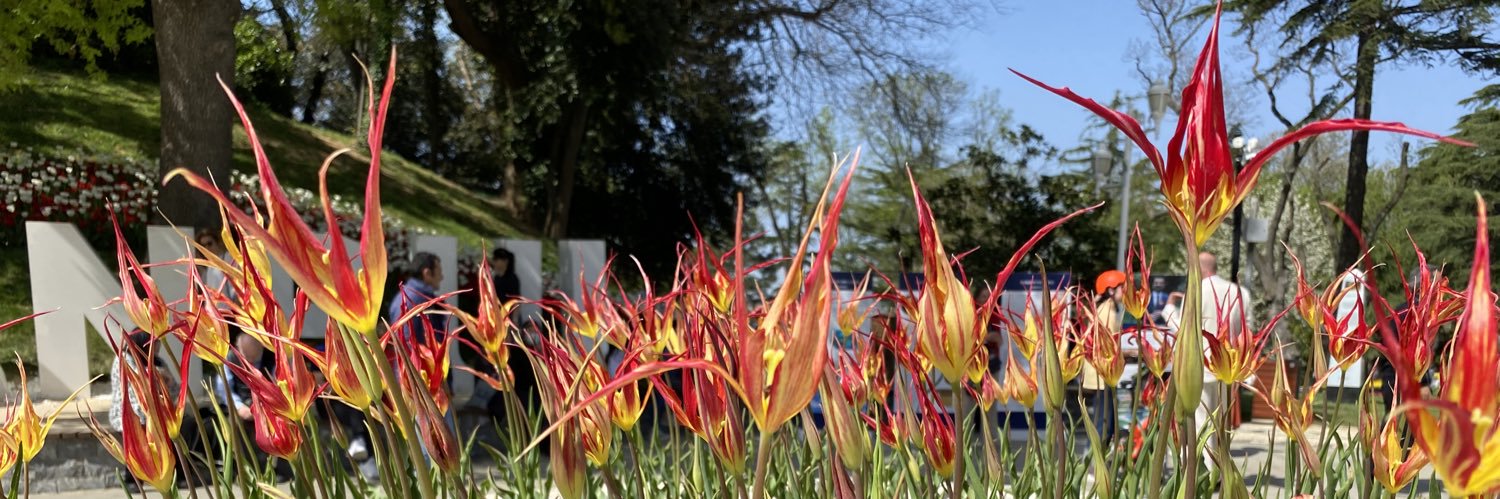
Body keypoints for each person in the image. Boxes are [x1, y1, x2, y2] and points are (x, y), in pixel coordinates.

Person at [1195, 252, 1251, 451]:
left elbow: (1182, 329)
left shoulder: (1196, 289)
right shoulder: (1240, 292)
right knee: (1223, 420)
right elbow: (1247, 330)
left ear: (1199, 268)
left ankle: (1209, 471)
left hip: (1202, 364)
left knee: (1202, 417)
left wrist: (1168, 311)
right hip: (1231, 364)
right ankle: (1221, 467)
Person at [1081, 270, 1125, 439]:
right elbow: (1111, 345)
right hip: (1103, 372)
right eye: (1122, 288)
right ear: (1111, 290)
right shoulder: (1109, 313)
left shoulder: (1104, 309)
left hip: (1099, 372)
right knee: (1103, 423)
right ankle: (1096, 460)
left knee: (1104, 420)